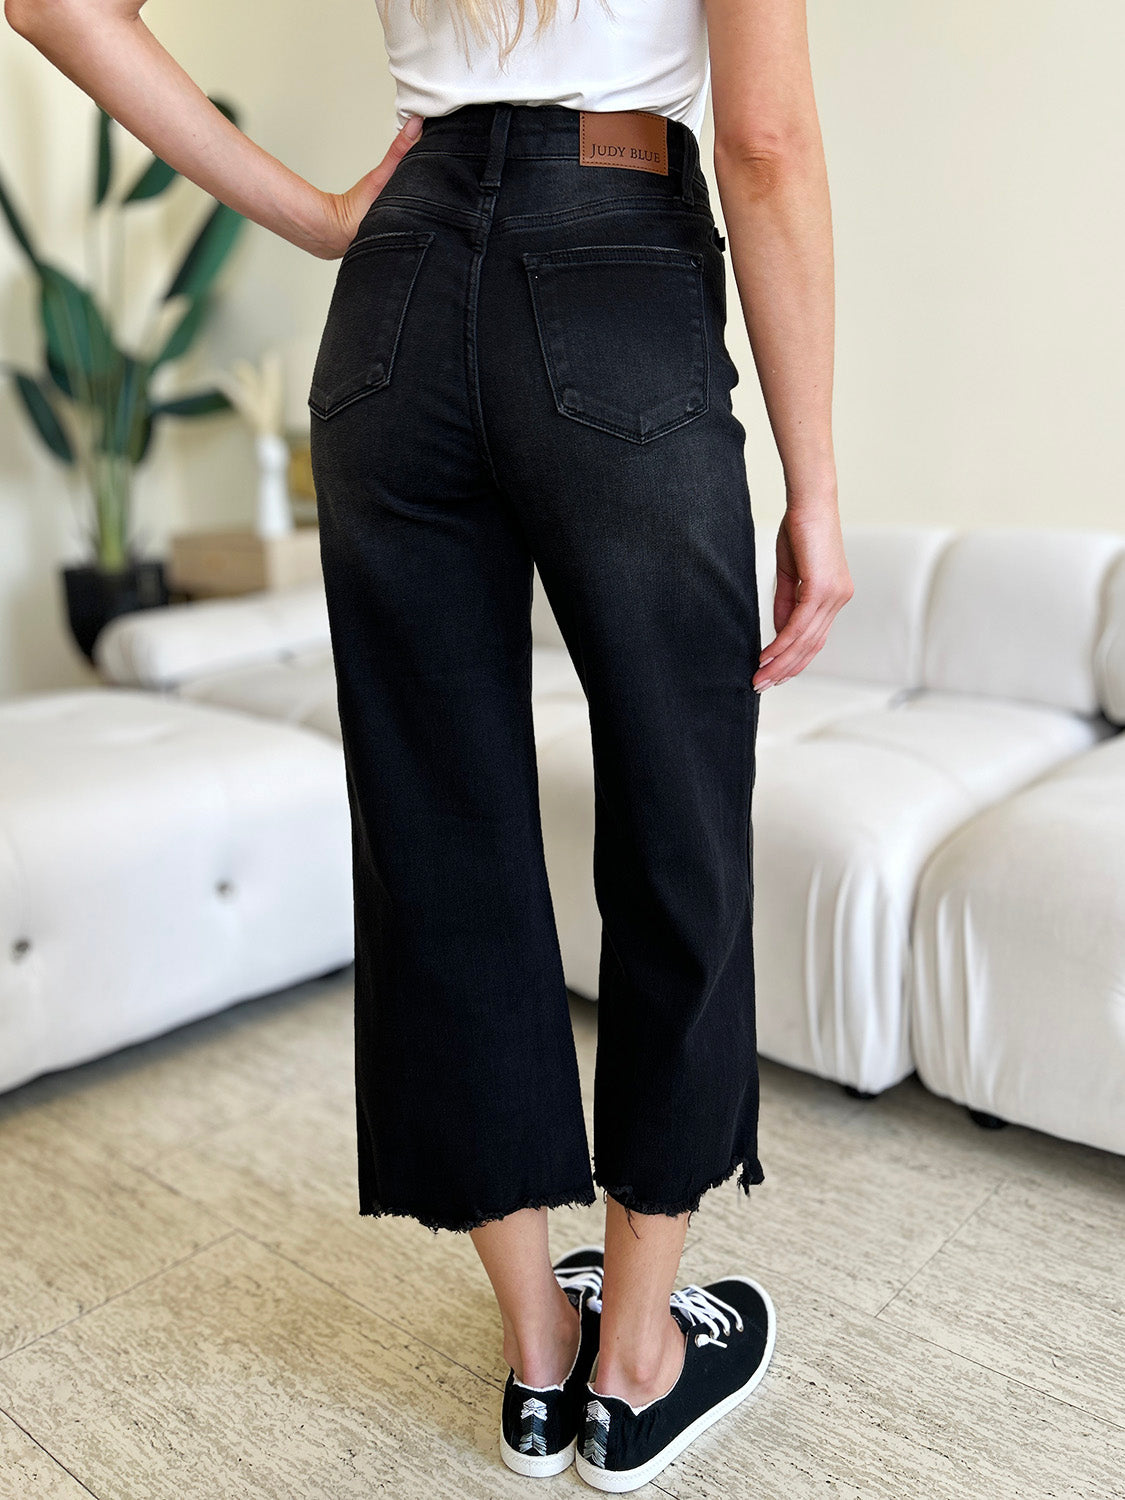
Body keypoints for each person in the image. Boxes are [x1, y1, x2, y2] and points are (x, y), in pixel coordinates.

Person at [8, 0, 852, 1488]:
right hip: (618, 274)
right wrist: (819, 491)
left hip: (394, 296)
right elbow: (768, 146)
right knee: (680, 816)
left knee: (436, 835)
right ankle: (639, 1355)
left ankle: (538, 1356)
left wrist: (323, 217)